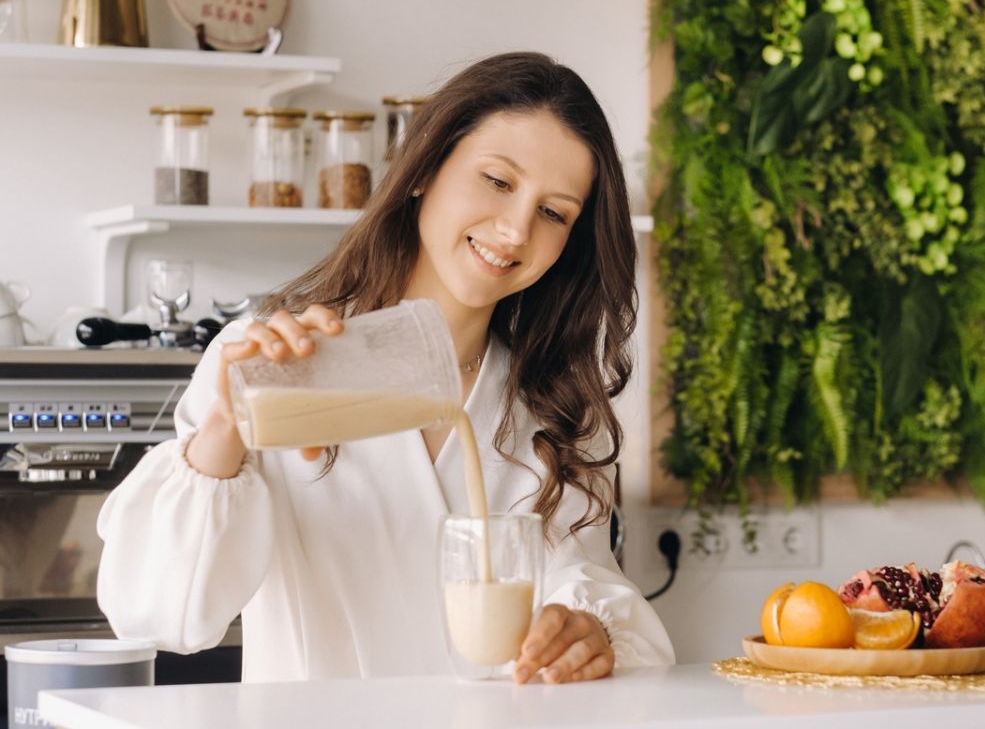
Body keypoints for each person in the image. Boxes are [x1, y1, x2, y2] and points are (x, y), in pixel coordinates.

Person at [96, 51, 675, 684]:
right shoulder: (270, 365)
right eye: (498, 181)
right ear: (424, 170)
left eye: (553, 212)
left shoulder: (558, 408)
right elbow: (157, 616)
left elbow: (587, 585)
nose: (514, 231)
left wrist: (591, 634)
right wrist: (227, 429)